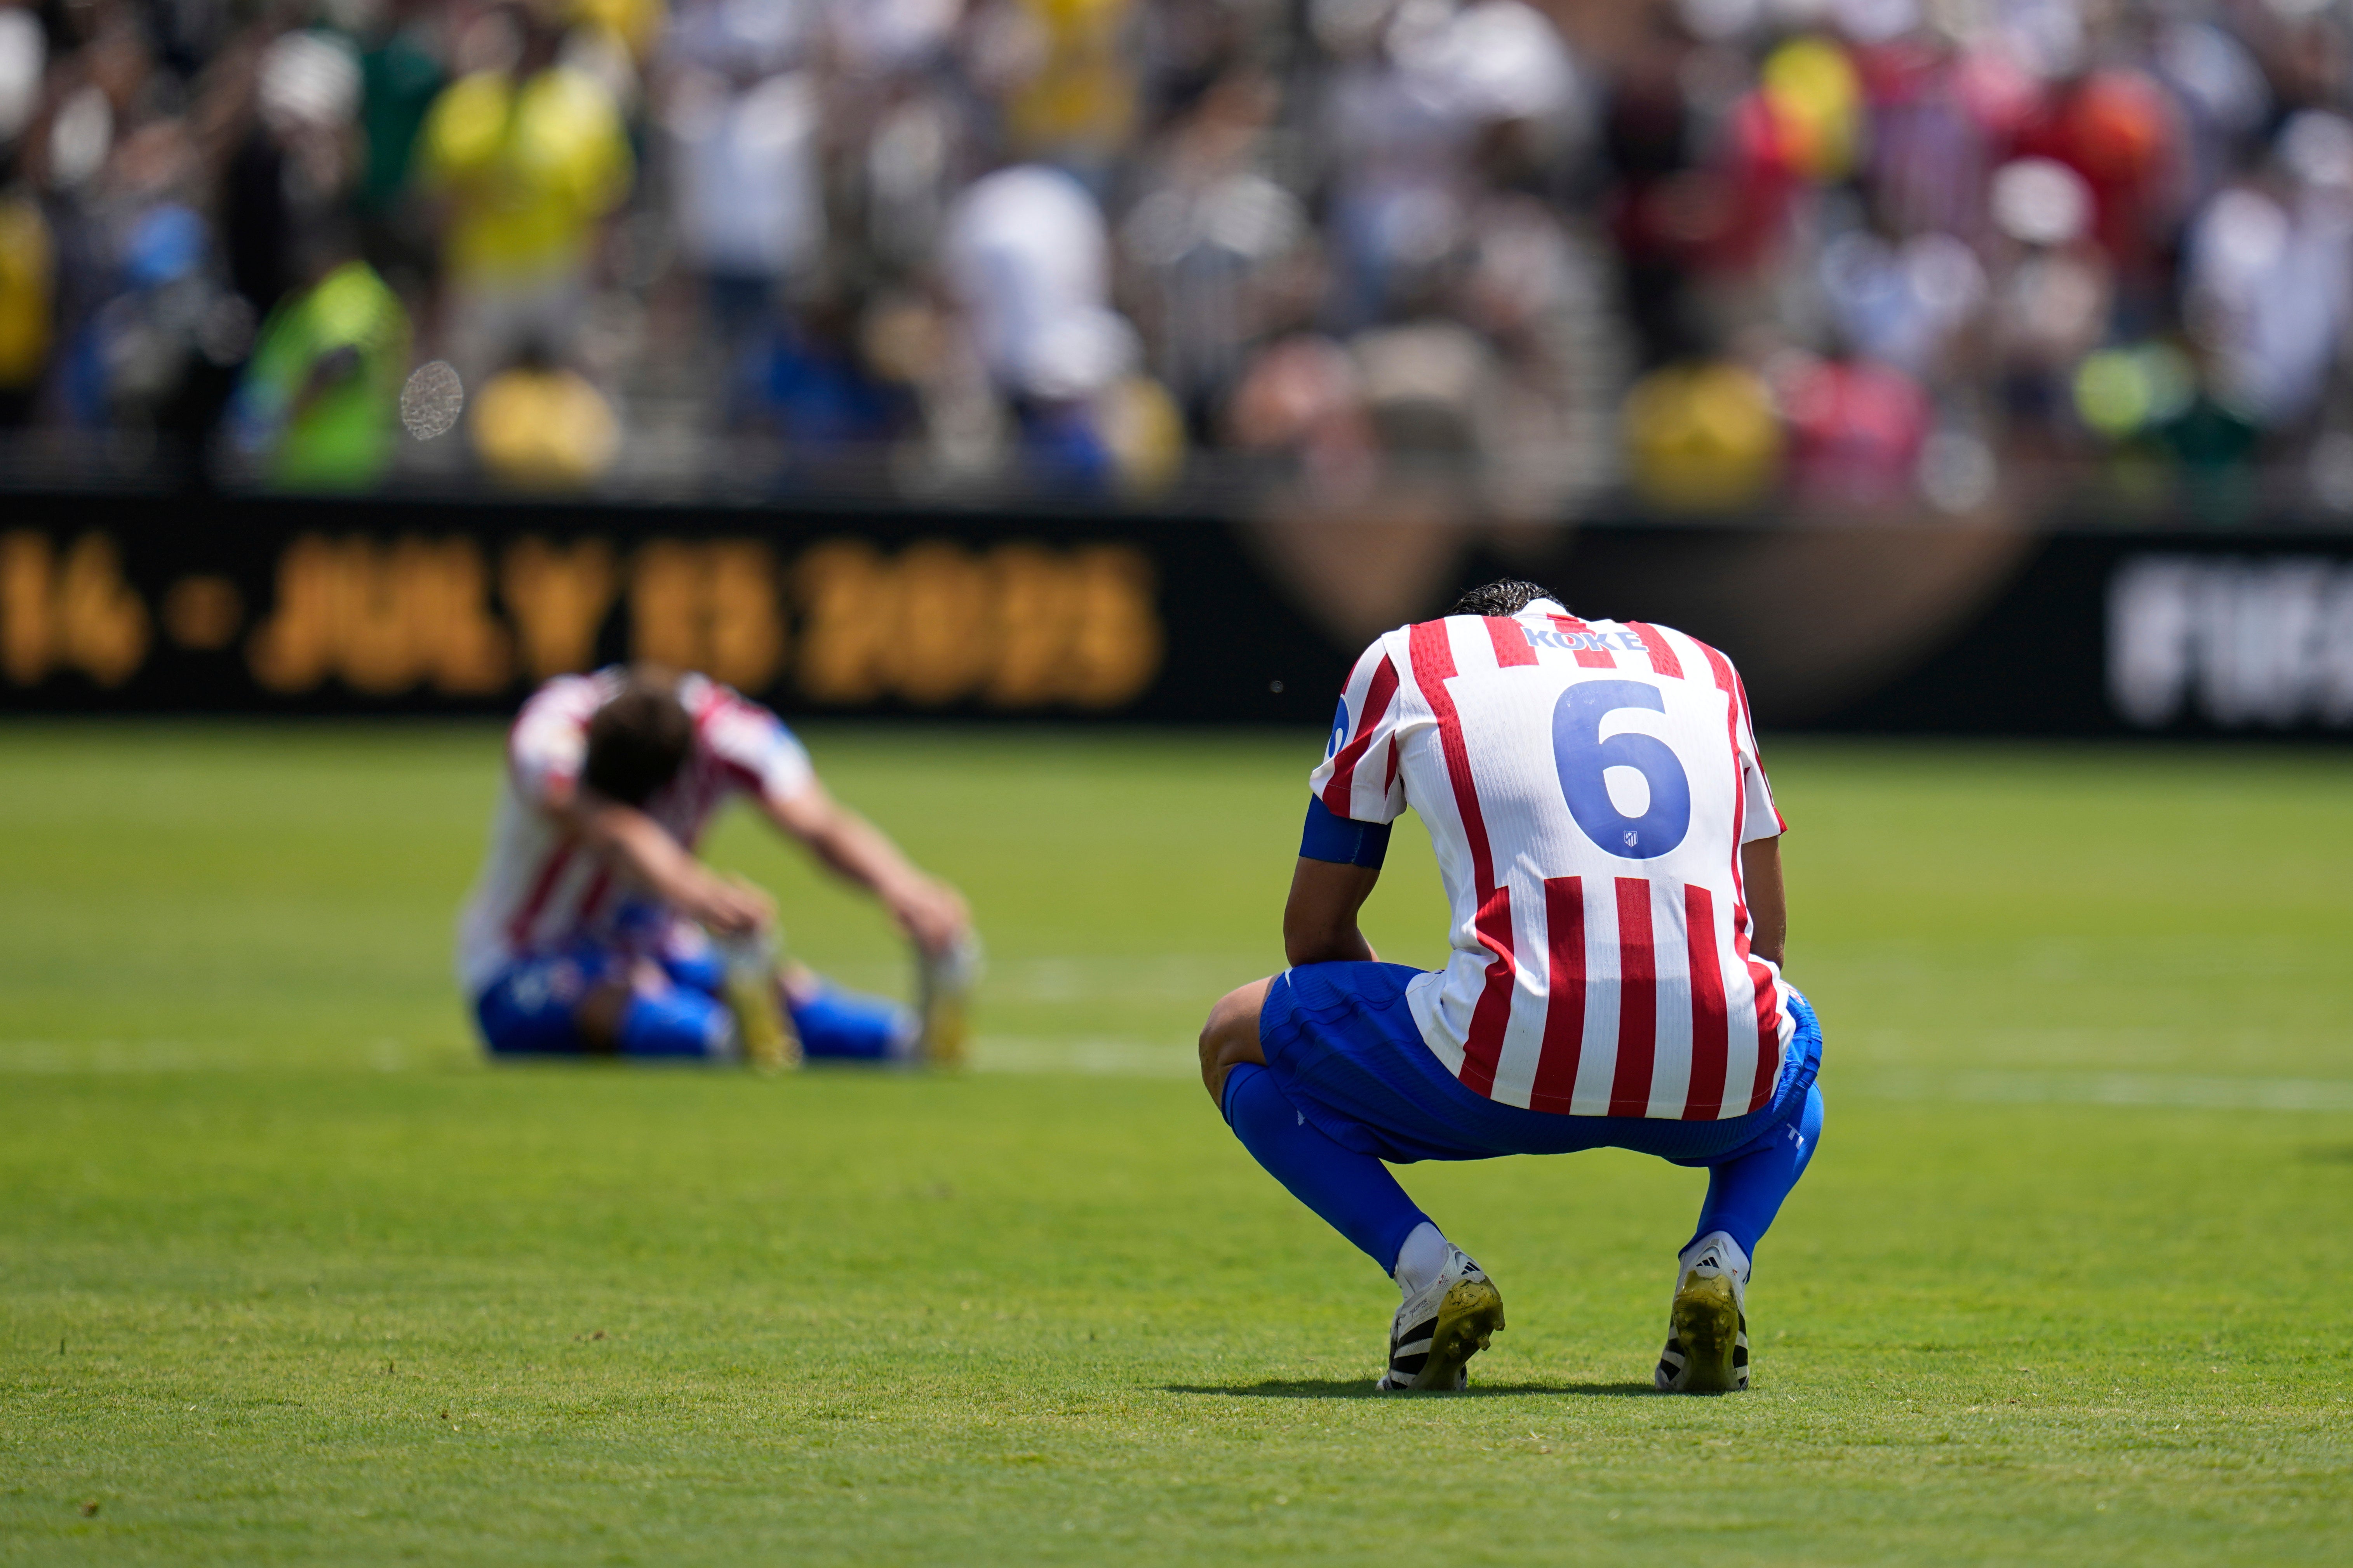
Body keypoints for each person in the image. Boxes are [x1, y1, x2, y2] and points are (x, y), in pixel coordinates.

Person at [1197, 578, 1822, 1392]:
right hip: (1717, 1075)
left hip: (1502, 1057)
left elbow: (1312, 936)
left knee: (1232, 1033)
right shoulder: (1704, 665)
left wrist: (1380, 1046)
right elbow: (1764, 942)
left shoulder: (1410, 656)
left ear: (1473, 622)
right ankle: (1721, 1258)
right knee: (1789, 1036)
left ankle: (1429, 1274)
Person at [457, 663, 975, 1064]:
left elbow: (816, 821)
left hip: (662, 948)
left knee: (782, 995)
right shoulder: (551, 731)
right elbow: (615, 831)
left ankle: (902, 1042)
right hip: (527, 957)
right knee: (620, 997)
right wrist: (697, 892)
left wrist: (902, 886)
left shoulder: (732, 734)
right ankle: (721, 1043)